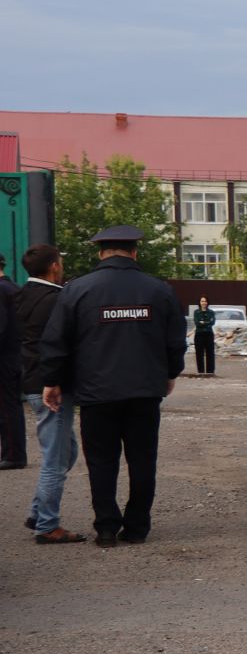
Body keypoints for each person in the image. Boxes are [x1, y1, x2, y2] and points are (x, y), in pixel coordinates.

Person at [36, 226, 186, 547]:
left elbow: (56, 341)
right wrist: (170, 373)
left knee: (102, 462)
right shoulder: (158, 290)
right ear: (134, 252)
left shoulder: (77, 290)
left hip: (96, 393)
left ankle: (106, 528)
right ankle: (137, 528)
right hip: (145, 392)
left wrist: (52, 380)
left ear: (101, 253)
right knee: (142, 460)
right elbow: (175, 341)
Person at [16, 245, 84, 542]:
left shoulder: (20, 295)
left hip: (31, 381)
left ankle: (37, 512)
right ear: (54, 267)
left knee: (66, 452)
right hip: (51, 386)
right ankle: (47, 525)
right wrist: (54, 380)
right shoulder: (56, 299)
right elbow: (57, 345)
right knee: (55, 459)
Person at [0, 254, 21, 469]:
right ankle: (13, 453)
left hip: (4, 357)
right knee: (11, 405)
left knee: (6, 408)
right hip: (15, 354)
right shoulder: (13, 287)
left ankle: (13, 455)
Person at [191, 296, 218, 375]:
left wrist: (204, 322)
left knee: (210, 353)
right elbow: (197, 323)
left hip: (209, 334)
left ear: (207, 302)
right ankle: (201, 371)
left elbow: (212, 323)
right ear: (199, 302)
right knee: (199, 354)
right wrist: (207, 322)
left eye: (205, 301)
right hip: (199, 334)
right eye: (202, 301)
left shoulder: (211, 312)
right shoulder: (196, 312)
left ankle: (210, 372)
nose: (204, 303)